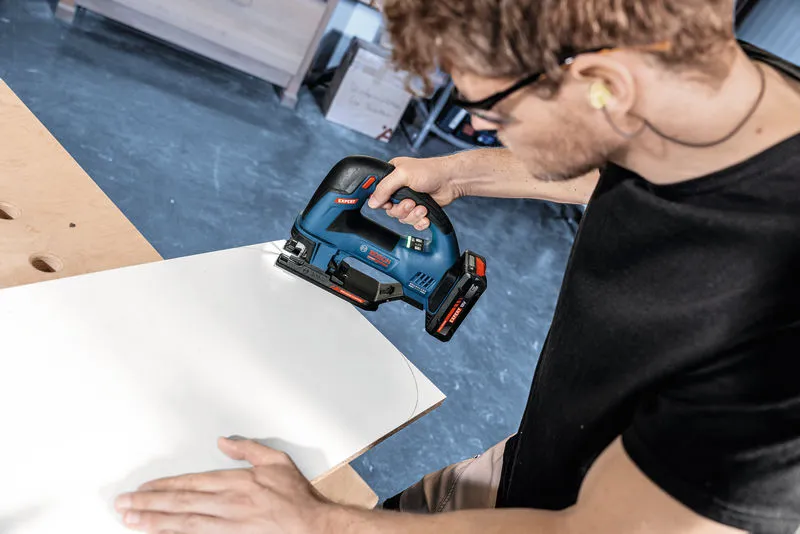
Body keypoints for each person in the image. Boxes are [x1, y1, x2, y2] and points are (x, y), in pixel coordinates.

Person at [113, 0, 800, 532]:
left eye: (485, 110)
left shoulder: (777, 331)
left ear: (602, 84)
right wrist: (462, 172)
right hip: (536, 461)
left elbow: (602, 529)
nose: (479, 128)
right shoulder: (707, 90)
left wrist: (318, 521)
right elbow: (627, 162)